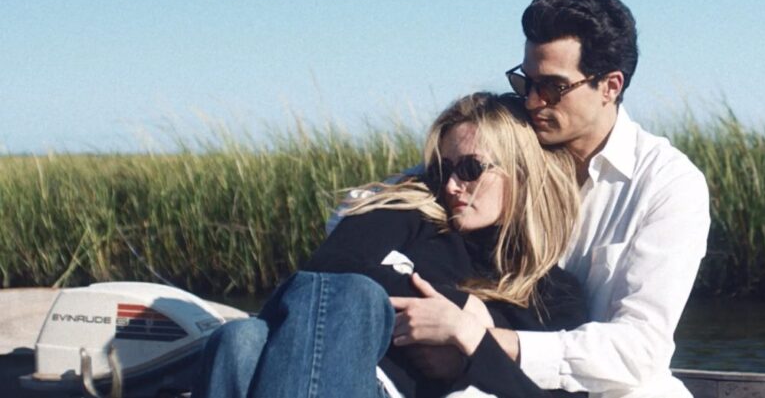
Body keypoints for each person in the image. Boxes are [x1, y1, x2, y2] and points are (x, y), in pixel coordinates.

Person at [390, 0, 711, 398]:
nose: (532, 101)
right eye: (525, 82)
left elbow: (639, 349)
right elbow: (365, 205)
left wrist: (475, 341)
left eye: (553, 87)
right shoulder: (505, 147)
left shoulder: (668, 184)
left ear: (611, 86)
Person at [194, 92, 590, 398]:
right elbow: (322, 274)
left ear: (520, 171)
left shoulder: (553, 293)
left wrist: (467, 340)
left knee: (341, 299)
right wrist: (457, 303)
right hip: (329, 378)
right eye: (442, 170)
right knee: (240, 340)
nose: (452, 186)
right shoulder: (415, 216)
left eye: (471, 169)